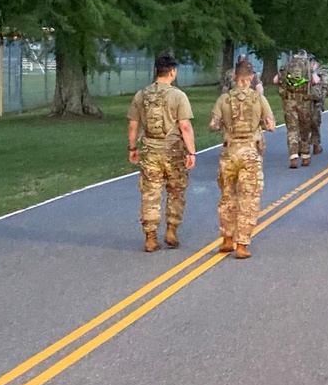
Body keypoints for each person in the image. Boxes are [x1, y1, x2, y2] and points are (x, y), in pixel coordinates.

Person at [127, 53, 197, 253]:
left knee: (150, 193)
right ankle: (171, 230)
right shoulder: (178, 96)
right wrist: (191, 152)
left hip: (150, 151)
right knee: (176, 191)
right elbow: (185, 127)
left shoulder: (141, 95)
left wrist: (133, 148)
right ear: (172, 72)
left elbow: (133, 125)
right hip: (173, 151)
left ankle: (150, 237)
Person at [208, 59, 276, 259]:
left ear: (235, 78)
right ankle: (242, 244)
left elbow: (213, 124)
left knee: (227, 197)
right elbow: (271, 124)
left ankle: (226, 239)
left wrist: (224, 126)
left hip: (229, 153)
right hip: (250, 154)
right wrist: (262, 125)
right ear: (251, 78)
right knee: (249, 199)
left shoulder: (224, 99)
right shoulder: (258, 99)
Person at [273, 50, 316, 168]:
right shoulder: (307, 65)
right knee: (304, 128)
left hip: (289, 102)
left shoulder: (287, 65)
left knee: (292, 129)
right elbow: (315, 81)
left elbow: (275, 80)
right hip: (304, 102)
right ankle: (305, 156)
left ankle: (293, 157)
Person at [309, 57, 328, 155]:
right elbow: (327, 89)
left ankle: (310, 145)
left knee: (309, 124)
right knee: (315, 124)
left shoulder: (321, 75)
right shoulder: (319, 74)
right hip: (314, 103)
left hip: (311, 102)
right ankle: (315, 145)